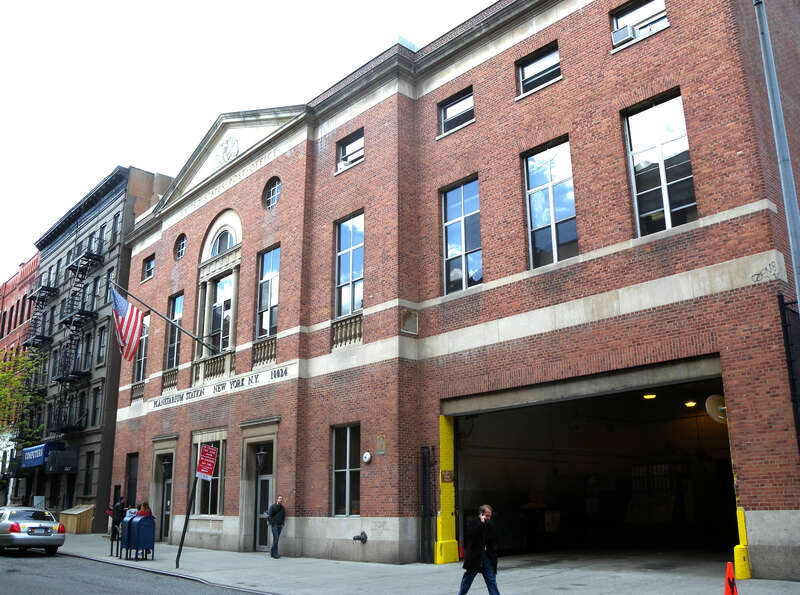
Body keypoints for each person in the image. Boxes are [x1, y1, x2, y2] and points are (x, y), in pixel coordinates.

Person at [458, 504, 500, 595]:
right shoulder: (473, 522)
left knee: (491, 580)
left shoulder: (490, 524)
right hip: (475, 557)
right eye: (487, 515)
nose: (488, 518)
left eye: (490, 515)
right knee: (467, 580)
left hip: (487, 557)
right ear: (481, 513)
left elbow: (493, 539)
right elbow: (471, 535)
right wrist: (481, 524)